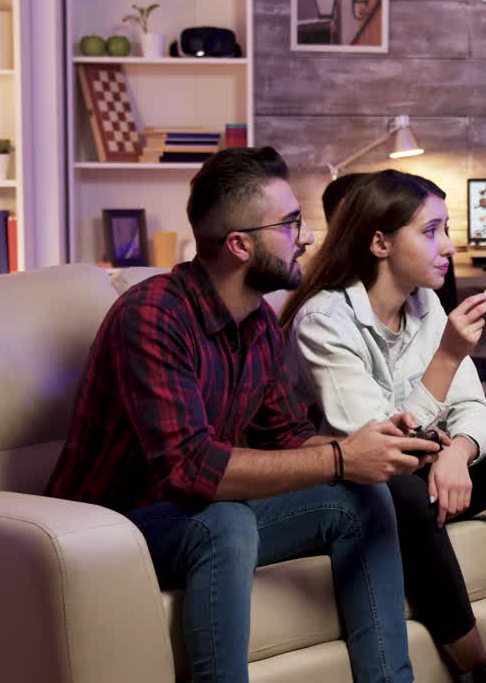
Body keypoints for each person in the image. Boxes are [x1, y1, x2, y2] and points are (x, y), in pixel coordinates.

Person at [45, 148, 441, 683]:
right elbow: (191, 471)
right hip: (110, 529)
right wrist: (341, 460)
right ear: (240, 244)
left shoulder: (255, 322)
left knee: (362, 498)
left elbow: (285, 435)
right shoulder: (153, 316)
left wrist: (370, 445)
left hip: (196, 515)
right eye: (291, 224)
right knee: (224, 520)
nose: (306, 237)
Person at [280, 170, 486, 683]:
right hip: (357, 479)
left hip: (421, 462)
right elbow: (380, 439)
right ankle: (480, 668)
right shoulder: (325, 320)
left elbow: (475, 408)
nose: (448, 245)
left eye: (446, 229)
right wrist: (449, 354)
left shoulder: (426, 304)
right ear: (380, 242)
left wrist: (459, 451)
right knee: (405, 492)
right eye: (431, 231)